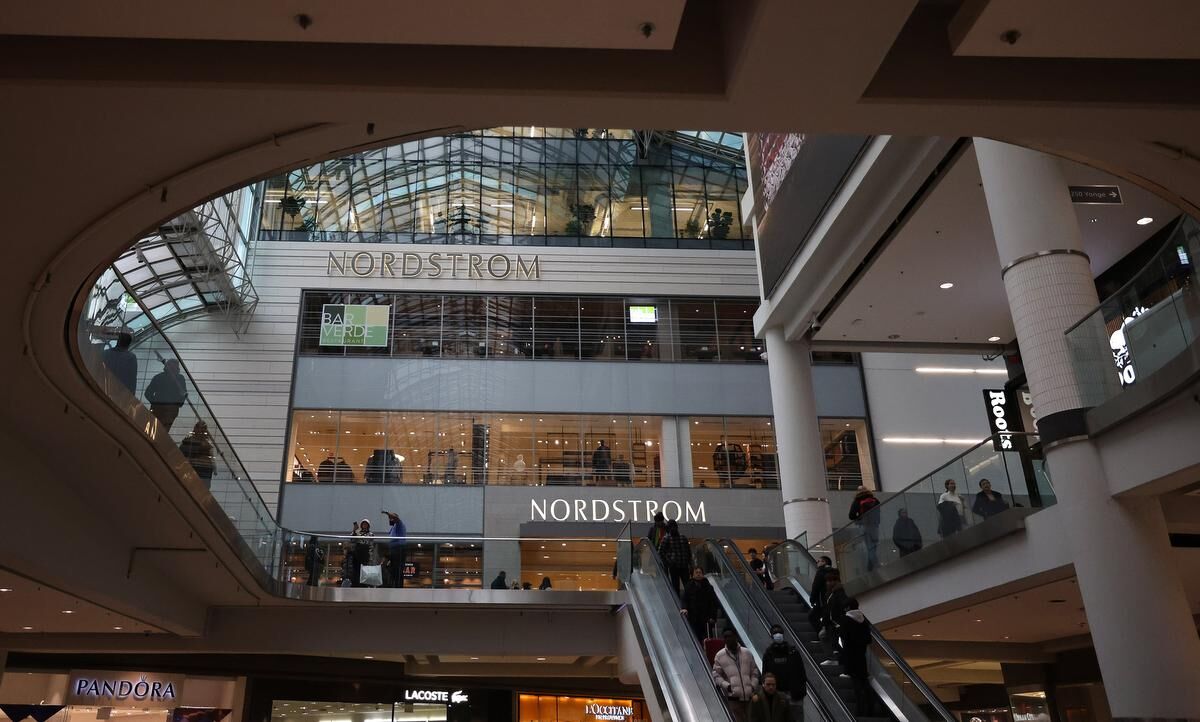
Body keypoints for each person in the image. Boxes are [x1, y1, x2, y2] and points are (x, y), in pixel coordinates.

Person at [839, 597, 880, 715]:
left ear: (847, 607)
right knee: (864, 681)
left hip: (850, 656)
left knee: (856, 684)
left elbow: (843, 637)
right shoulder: (863, 620)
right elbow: (868, 639)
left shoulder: (845, 620)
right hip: (861, 656)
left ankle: (860, 709)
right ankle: (871, 708)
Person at [712, 629, 760, 722]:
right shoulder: (720, 655)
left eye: (729, 636)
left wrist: (753, 686)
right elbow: (716, 674)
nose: (727, 639)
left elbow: (754, 671)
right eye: (725, 637)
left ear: (735, 637)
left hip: (749, 696)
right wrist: (727, 686)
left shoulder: (747, 653)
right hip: (734, 698)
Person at [761, 625, 805, 701]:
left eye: (779, 632)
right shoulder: (768, 654)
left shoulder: (793, 652)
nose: (778, 634)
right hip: (777, 694)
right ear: (771, 636)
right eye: (775, 633)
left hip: (794, 693)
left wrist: (801, 690)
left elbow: (801, 672)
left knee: (795, 712)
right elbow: (765, 674)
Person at [144, 359, 188, 432]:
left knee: (153, 431)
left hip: (163, 409)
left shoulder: (160, 377)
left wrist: (156, 402)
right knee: (160, 432)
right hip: (166, 409)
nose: (172, 368)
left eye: (173, 367)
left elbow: (148, 393)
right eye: (171, 366)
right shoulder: (179, 378)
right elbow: (148, 393)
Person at [848, 486, 882, 571]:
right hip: (874, 526)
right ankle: (870, 568)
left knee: (869, 547)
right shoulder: (875, 499)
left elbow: (851, 515)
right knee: (873, 546)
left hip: (864, 526)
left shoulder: (857, 501)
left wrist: (859, 518)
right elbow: (879, 511)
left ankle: (876, 567)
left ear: (858, 492)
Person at [680, 566, 718, 641]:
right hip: (694, 617)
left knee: (708, 638)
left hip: (706, 617)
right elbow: (685, 599)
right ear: (693, 575)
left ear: (703, 574)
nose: (698, 574)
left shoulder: (708, 586)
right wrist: (684, 608)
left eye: (700, 573)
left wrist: (713, 616)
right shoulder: (689, 586)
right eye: (696, 573)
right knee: (696, 637)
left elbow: (714, 602)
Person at [657, 519, 692, 595]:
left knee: (687, 586)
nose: (673, 529)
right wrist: (669, 562)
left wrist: (690, 563)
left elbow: (688, 552)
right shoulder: (667, 539)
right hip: (675, 567)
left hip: (683, 566)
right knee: (676, 587)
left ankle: (686, 603)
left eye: (674, 527)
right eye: (671, 527)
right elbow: (660, 552)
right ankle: (679, 604)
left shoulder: (683, 538)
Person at [179, 421, 215, 488]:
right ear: (195, 429)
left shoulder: (207, 444)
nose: (201, 430)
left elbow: (211, 458)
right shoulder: (188, 441)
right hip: (194, 470)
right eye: (199, 428)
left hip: (204, 471)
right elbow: (182, 454)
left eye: (203, 428)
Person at [808, 556, 834, 631]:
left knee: (812, 616)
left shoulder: (821, 571)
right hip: (833, 600)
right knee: (829, 619)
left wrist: (812, 600)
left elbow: (816, 586)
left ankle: (822, 635)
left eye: (819, 561)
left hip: (822, 601)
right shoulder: (834, 572)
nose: (817, 563)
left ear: (824, 562)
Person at [382, 511, 407, 588]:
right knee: (392, 569)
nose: (390, 520)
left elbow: (396, 519)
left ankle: (398, 587)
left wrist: (388, 513)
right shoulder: (393, 527)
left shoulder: (399, 524)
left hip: (399, 549)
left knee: (398, 569)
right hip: (393, 549)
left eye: (391, 518)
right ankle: (393, 585)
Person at [351, 518, 377, 588]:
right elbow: (352, 539)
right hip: (357, 554)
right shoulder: (357, 532)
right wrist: (354, 530)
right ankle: (356, 585)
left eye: (366, 524)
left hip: (365, 554)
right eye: (363, 524)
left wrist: (370, 556)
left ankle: (364, 585)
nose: (364, 525)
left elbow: (371, 545)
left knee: (364, 571)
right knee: (356, 570)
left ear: (368, 525)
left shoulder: (371, 534)